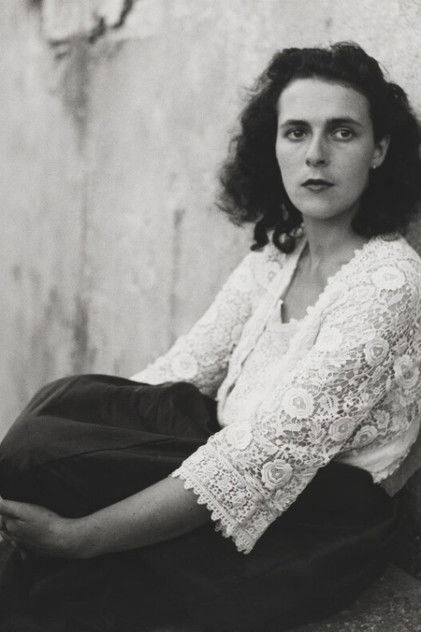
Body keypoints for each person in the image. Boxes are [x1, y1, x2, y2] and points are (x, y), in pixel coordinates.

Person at [0, 41, 421, 631]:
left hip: (313, 517)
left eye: (343, 132)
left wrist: (81, 536)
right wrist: (89, 430)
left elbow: (264, 459)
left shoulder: (390, 283)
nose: (316, 154)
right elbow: (184, 368)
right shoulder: (280, 255)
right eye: (296, 132)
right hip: (220, 445)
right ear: (273, 147)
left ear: (379, 150)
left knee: (56, 555)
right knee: (62, 406)